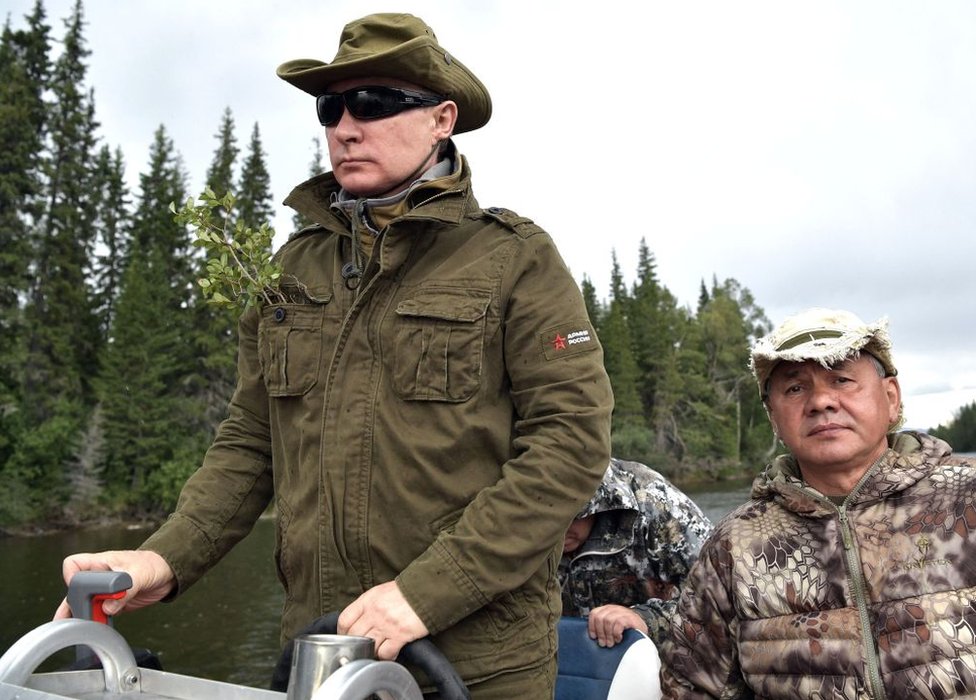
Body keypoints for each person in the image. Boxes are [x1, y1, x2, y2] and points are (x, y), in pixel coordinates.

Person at [55, 13, 613, 698]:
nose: (346, 126)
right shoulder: (291, 269)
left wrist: (425, 594)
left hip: (479, 668)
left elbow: (569, 444)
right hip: (319, 658)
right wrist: (162, 559)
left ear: (441, 120)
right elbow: (250, 442)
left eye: (374, 102)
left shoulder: (516, 259)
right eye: (331, 106)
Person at [660, 308, 976, 698]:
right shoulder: (734, 546)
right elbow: (690, 686)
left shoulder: (967, 498)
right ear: (774, 418)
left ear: (891, 397)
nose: (821, 401)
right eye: (795, 389)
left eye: (841, 380)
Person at [560, 457, 712, 648]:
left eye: (569, 517)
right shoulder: (523, 490)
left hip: (660, 657)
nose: (554, 533)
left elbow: (718, 600)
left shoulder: (655, 503)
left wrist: (645, 619)